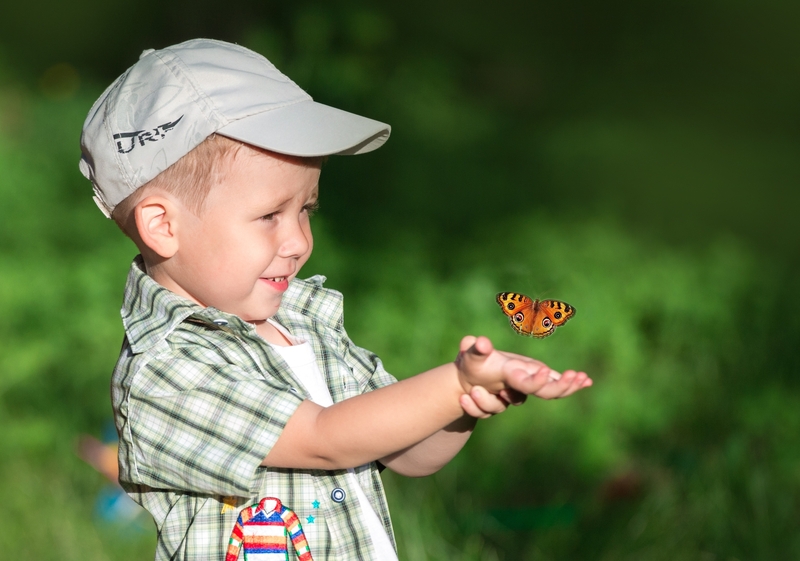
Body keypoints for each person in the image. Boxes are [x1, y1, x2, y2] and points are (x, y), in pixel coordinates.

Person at [78, 38, 592, 561]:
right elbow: (325, 439)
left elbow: (409, 454)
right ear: (163, 226)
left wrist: (465, 402)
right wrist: (454, 380)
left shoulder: (306, 323)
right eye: (269, 216)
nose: (299, 241)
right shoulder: (167, 371)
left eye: (307, 210)